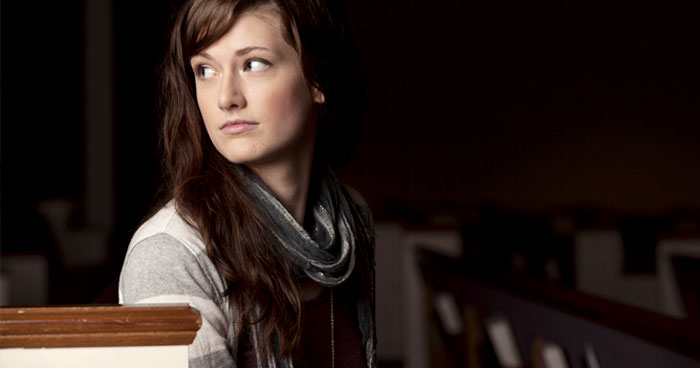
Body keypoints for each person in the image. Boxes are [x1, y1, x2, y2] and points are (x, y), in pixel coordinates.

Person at [118, 0, 375, 367]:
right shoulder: (170, 253)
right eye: (205, 70)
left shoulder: (349, 223)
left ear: (318, 78)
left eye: (253, 64)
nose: (226, 98)